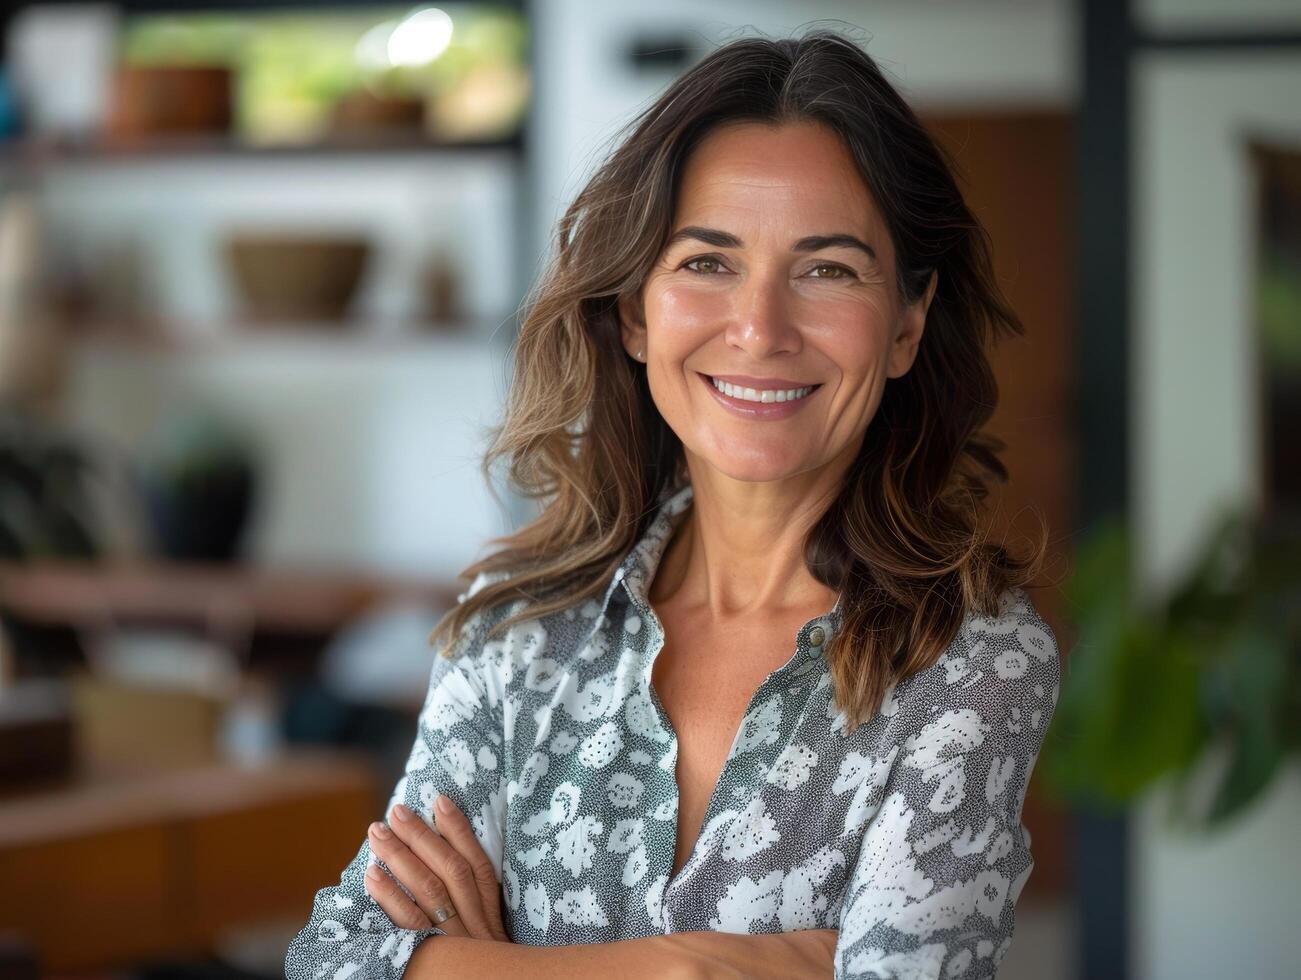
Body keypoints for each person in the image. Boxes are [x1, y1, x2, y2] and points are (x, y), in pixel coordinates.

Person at [285, 27, 1060, 980]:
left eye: (827, 269)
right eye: (706, 262)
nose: (760, 329)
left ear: (905, 323)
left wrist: (484, 968)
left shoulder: (969, 663)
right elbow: (338, 961)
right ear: (634, 313)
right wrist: (683, 967)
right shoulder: (517, 626)